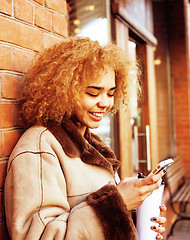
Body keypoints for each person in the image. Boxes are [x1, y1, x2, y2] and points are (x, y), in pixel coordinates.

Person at [4, 37, 166, 240]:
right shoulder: (40, 146)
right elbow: (37, 236)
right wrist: (118, 203)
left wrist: (135, 217)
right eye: (93, 93)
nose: (105, 103)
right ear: (63, 90)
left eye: (110, 93)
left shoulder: (92, 143)